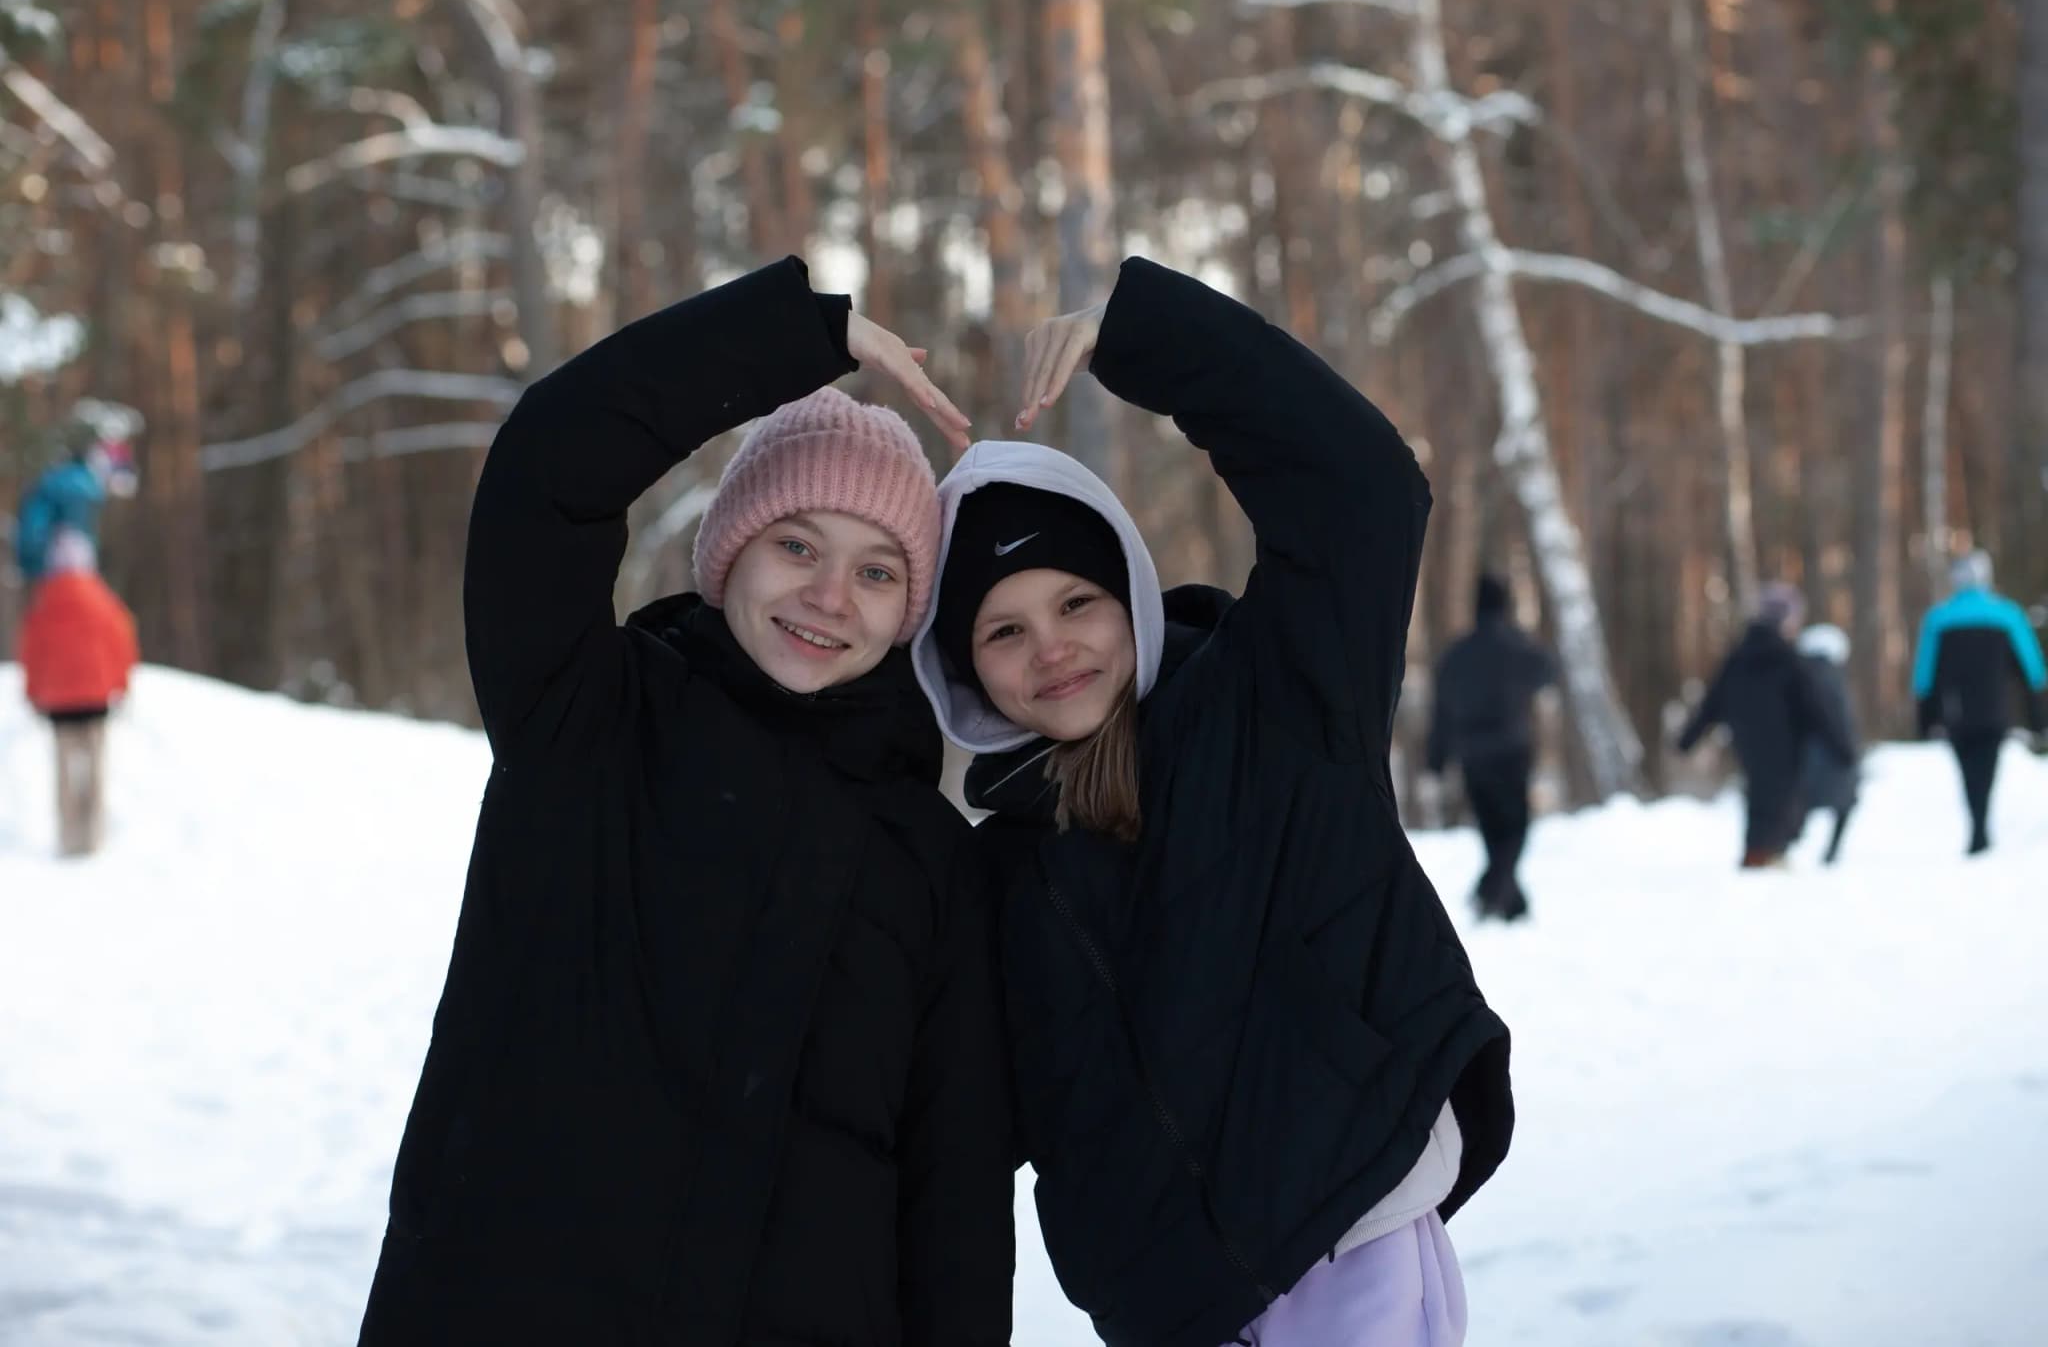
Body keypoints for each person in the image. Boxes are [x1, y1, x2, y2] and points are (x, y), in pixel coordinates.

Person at [358, 259, 1014, 1346]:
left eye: (875, 571)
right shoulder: (587, 717)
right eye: (796, 545)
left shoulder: (932, 860)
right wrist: (796, 335)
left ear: (909, 609)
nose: (825, 597)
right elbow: (547, 468)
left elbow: (952, 1204)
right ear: (727, 552)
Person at [914, 259, 1512, 1347]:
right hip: (1170, 1308)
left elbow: (1360, 488)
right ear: (962, 672)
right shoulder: (991, 870)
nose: (1049, 647)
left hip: (1346, 1239)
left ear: (1130, 595)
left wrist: (1143, 336)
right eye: (1003, 630)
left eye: (1075, 601)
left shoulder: (1272, 702)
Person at [1676, 583, 1854, 869]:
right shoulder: (1790, 660)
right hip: (1785, 744)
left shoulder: (1738, 657)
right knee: (1782, 795)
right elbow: (1817, 709)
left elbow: (1713, 702)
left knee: (1759, 792)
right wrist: (1842, 748)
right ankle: (1766, 854)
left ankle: (1760, 852)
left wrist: (1688, 738)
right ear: (1786, 619)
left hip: (1747, 741)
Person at [1425, 573, 1557, 922]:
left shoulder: (1456, 655)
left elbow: (1440, 711)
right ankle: (1493, 893)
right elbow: (1547, 671)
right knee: (1515, 830)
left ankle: (1509, 902)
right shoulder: (1516, 645)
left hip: (1473, 757)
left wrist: (1436, 759)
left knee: (1493, 830)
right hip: (1512, 753)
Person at [1912, 550, 2048, 855]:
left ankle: (1978, 828)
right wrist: (2038, 718)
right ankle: (1980, 829)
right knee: (1986, 768)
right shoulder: (2007, 615)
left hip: (1956, 713)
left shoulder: (1939, 619)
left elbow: (1924, 675)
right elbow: (2033, 670)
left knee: (1968, 771)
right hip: (1994, 710)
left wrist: (1926, 719)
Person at [18, 528, 138, 857]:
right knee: (96, 768)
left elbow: (31, 652)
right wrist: (122, 684)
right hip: (96, 700)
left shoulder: (44, 602)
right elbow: (122, 643)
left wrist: (31, 692)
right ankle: (92, 836)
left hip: (58, 703)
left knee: (65, 770)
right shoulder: (103, 600)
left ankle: (68, 836)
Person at [13, 433, 136, 585]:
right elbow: (68, 535)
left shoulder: (72, 480)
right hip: (54, 562)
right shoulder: (81, 487)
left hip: (44, 559)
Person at [1791, 623, 1861, 866]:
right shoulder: (1829, 676)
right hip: (1830, 754)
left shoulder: (1800, 675)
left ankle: (1797, 844)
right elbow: (1838, 717)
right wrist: (1848, 750)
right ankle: (1824, 849)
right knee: (1842, 802)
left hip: (1808, 754)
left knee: (1807, 803)